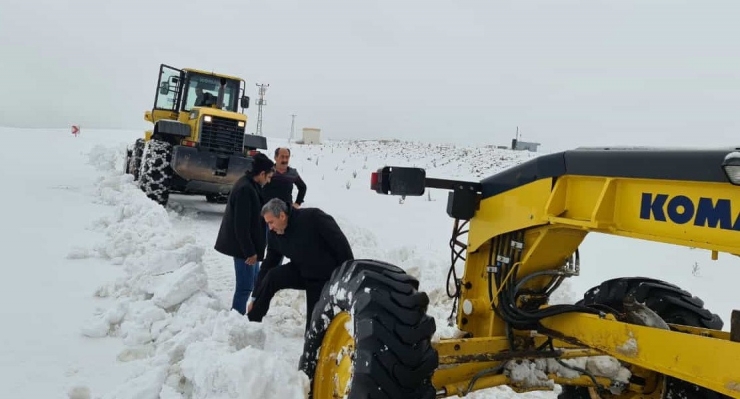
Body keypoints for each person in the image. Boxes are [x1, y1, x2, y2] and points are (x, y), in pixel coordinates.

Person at [247, 198, 354, 331]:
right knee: (272, 276)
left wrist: (347, 276)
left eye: (271, 222)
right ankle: (250, 324)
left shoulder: (313, 218)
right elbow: (268, 264)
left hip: (324, 277)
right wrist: (255, 297)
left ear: (282, 216)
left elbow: (341, 246)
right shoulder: (274, 233)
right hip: (301, 270)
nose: (270, 227)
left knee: (314, 327)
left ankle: (312, 349)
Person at [214, 153, 275, 315]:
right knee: (245, 287)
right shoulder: (245, 189)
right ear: (261, 174)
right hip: (245, 250)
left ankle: (250, 315)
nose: (268, 181)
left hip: (251, 247)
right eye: (268, 177)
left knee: (255, 282)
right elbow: (240, 225)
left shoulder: (252, 185)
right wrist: (250, 252)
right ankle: (235, 319)